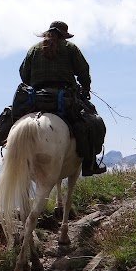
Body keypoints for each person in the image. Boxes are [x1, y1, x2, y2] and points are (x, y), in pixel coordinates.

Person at [18, 20, 106, 175]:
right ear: (64, 35)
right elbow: (83, 71)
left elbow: (24, 74)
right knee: (89, 123)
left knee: (13, 119)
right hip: (64, 98)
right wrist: (86, 87)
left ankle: (8, 151)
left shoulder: (34, 49)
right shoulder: (70, 48)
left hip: (35, 99)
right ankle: (89, 163)